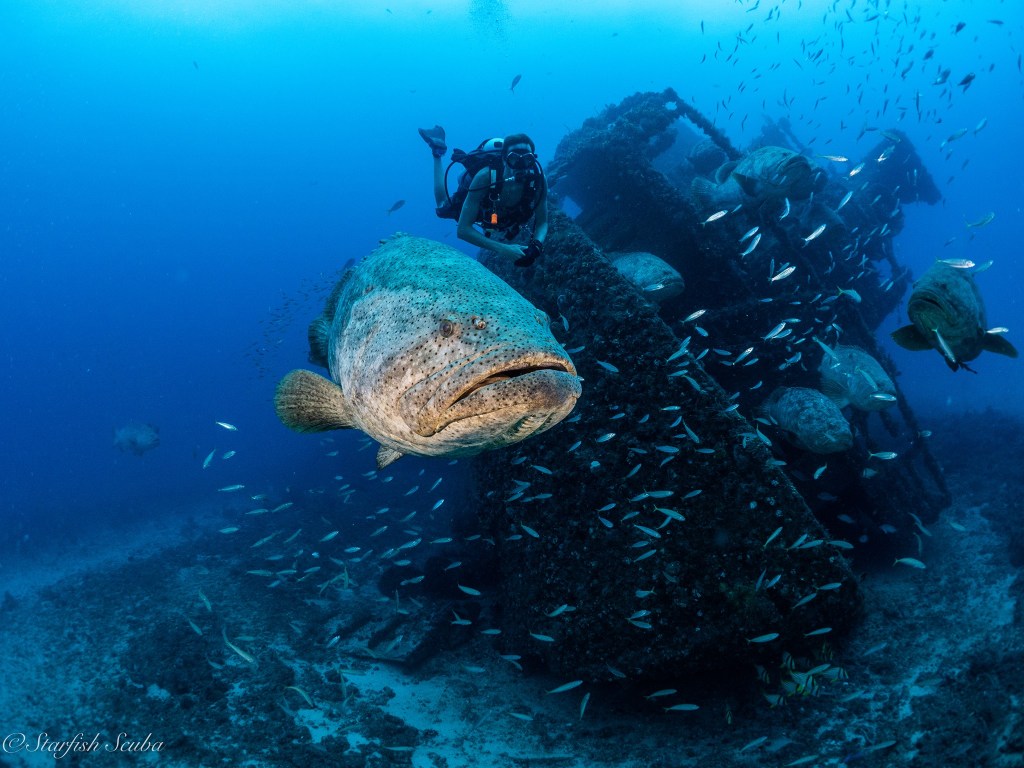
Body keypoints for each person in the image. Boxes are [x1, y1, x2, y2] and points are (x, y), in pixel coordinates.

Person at [419, 125, 548, 267]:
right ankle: (437, 153)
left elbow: (542, 221)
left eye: (527, 159)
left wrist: (536, 246)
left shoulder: (538, 181)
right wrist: (503, 249)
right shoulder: (485, 177)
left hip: (502, 217)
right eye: (514, 159)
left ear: (533, 161)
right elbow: (462, 230)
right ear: (504, 159)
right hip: (482, 210)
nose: (521, 166)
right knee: (443, 206)